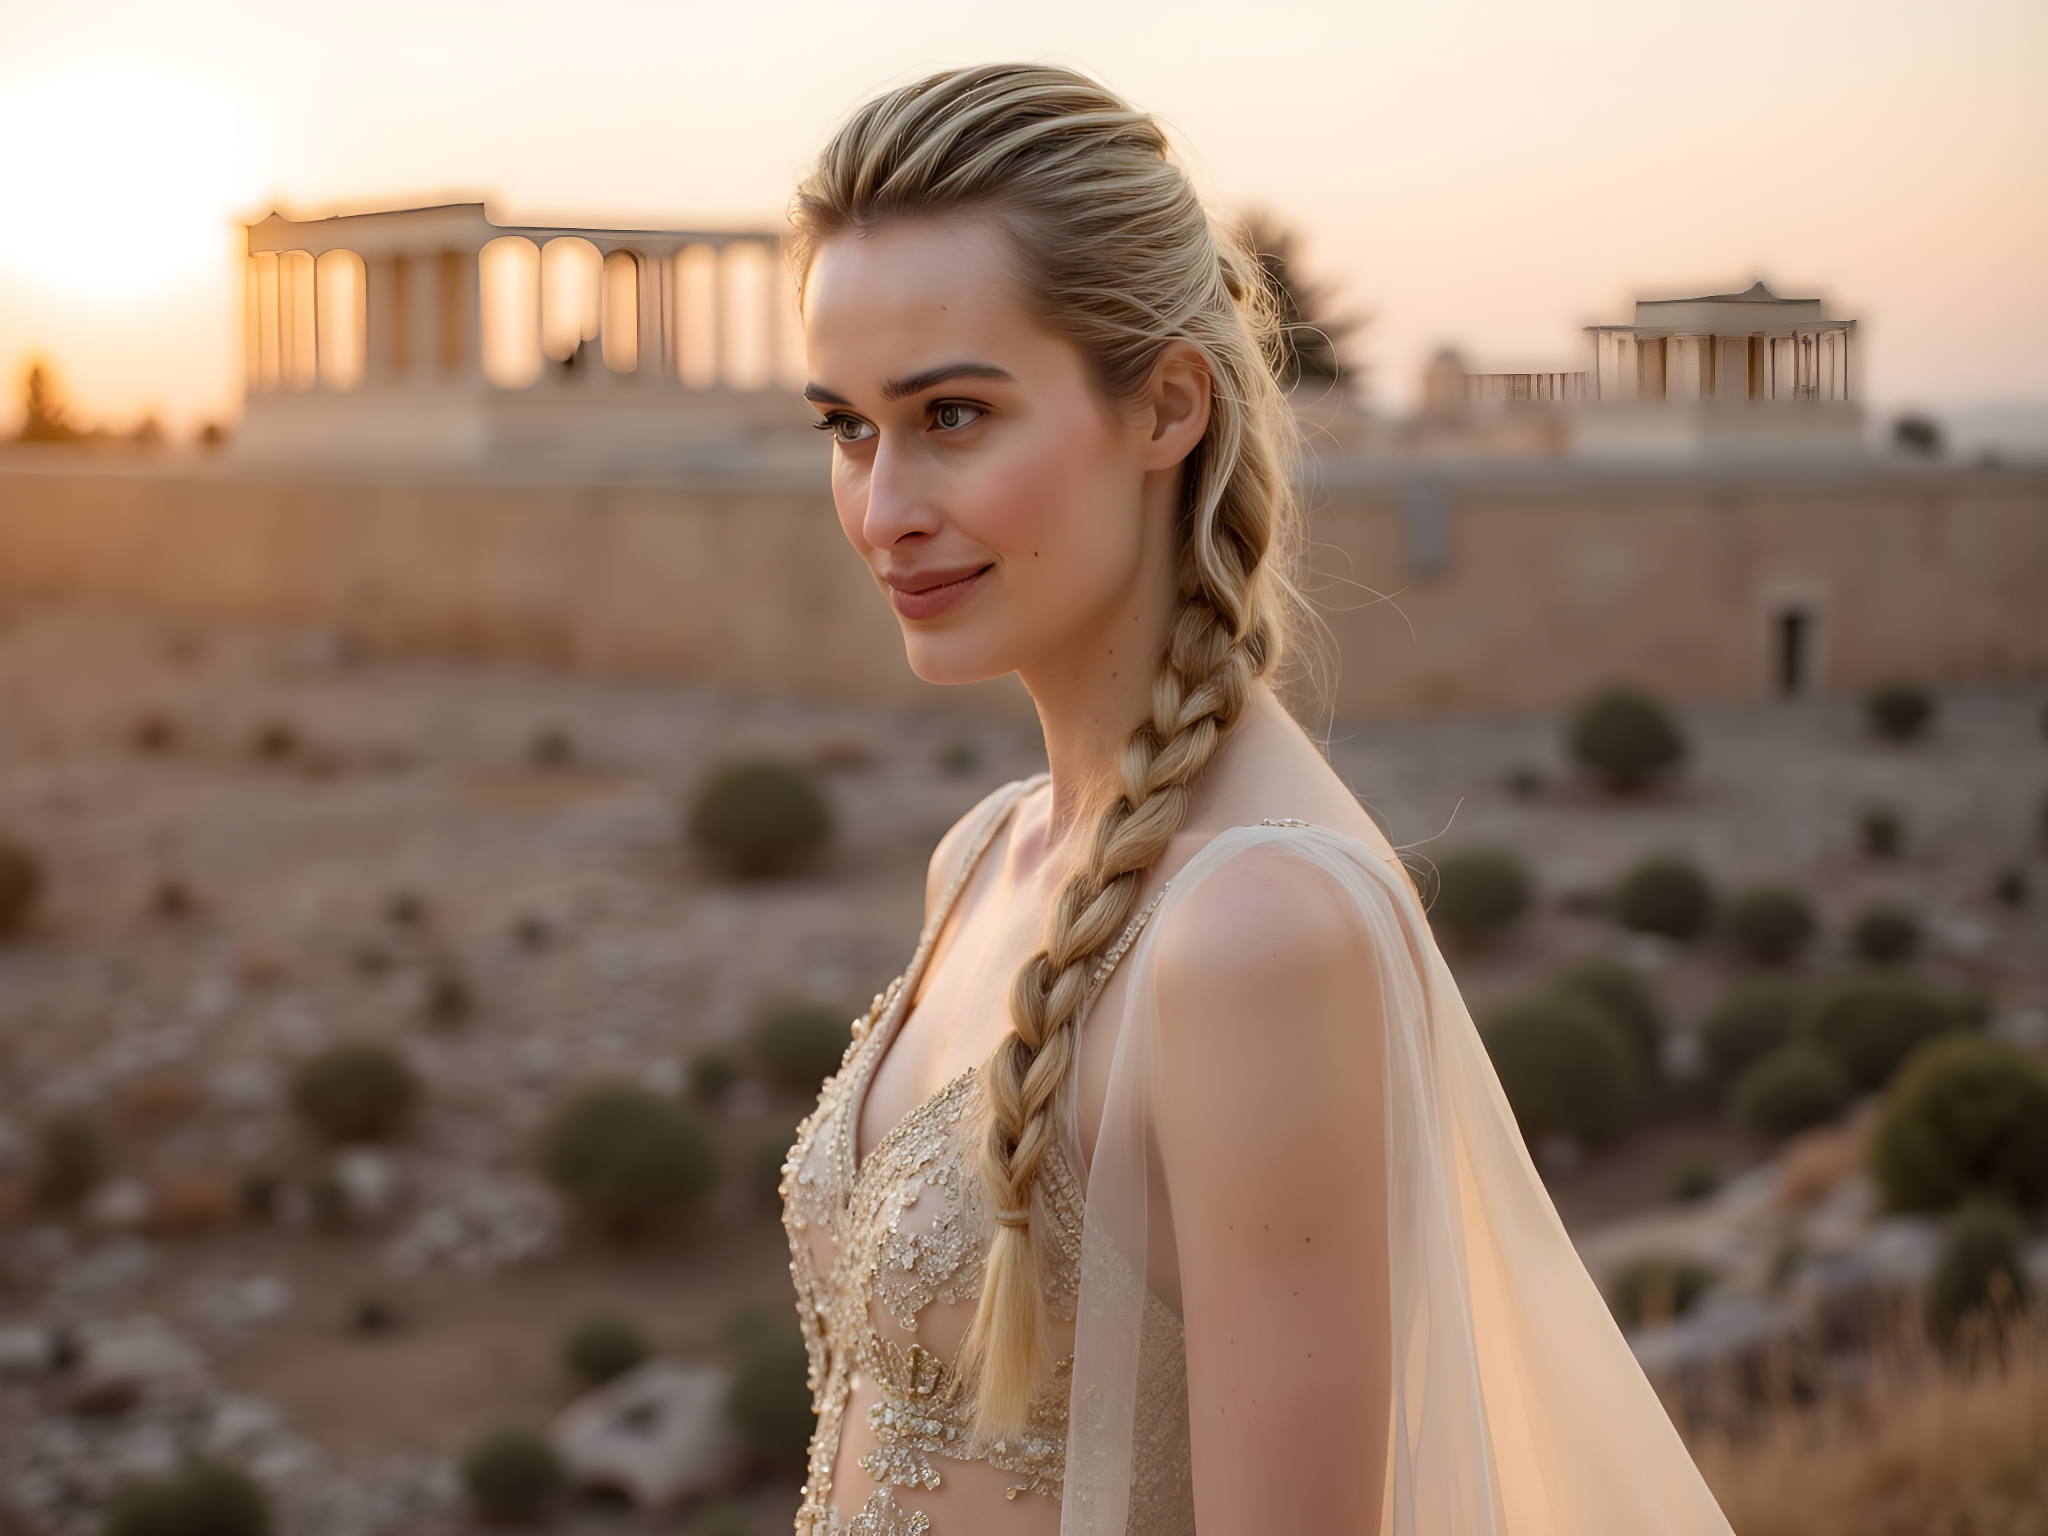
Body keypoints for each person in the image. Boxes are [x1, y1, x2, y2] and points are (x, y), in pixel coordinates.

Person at [778, 64, 1734, 1536]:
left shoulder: (1257, 934)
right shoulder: (983, 857)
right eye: (846, 425)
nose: (882, 505)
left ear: (1166, 405)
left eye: (953, 415)